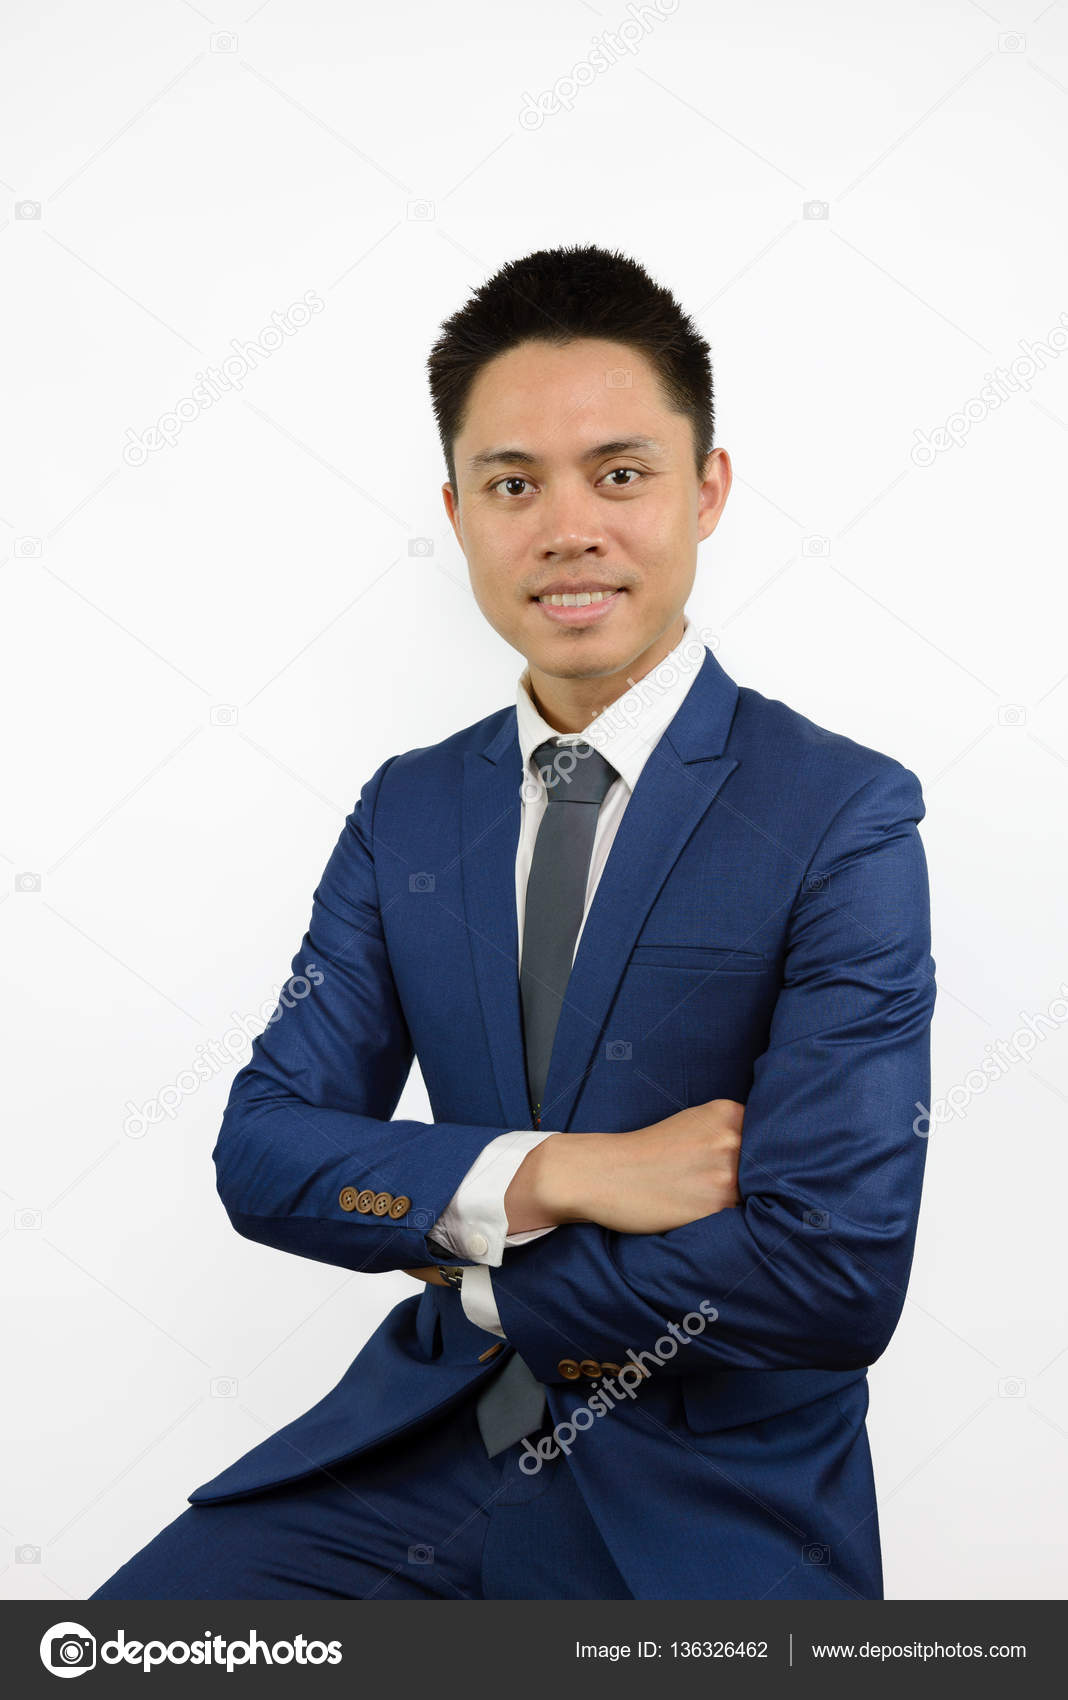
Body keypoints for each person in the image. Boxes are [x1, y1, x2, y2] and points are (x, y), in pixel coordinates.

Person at [91, 243, 936, 1601]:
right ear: (458, 511)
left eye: (620, 474)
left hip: (708, 1505)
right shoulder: (411, 810)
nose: (567, 528)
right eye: (511, 484)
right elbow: (266, 1151)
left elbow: (832, 1273)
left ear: (706, 489)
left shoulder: (839, 814)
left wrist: (482, 1272)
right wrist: (561, 1174)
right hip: (425, 1449)